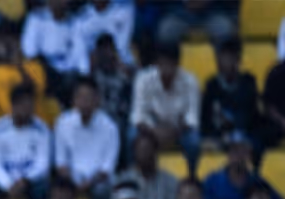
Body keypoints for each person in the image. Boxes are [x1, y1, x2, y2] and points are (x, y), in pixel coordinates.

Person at [55, 77, 120, 199]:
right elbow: (61, 164)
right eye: (80, 97)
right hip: (71, 180)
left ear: (97, 100)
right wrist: (73, 183)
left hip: (97, 182)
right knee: (57, 190)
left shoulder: (110, 127)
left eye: (89, 97)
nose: (84, 102)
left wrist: (87, 184)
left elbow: (106, 169)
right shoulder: (63, 123)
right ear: (74, 100)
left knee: (103, 192)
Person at [130, 43, 201, 176]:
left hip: (178, 130)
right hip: (150, 128)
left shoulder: (190, 81)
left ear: (177, 64)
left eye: (170, 63)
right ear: (156, 63)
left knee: (194, 142)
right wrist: (154, 131)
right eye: (163, 63)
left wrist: (174, 132)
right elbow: (138, 116)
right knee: (132, 136)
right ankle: (133, 177)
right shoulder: (143, 80)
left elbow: (192, 118)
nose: (166, 68)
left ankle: (192, 178)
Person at [0, 83, 52, 199]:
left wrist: (24, 182)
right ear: (13, 105)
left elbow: (42, 164)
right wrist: (8, 185)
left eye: (31, 104)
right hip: (5, 181)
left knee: (42, 189)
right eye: (23, 104)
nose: (28, 108)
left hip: (30, 182)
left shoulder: (42, 129)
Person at [204, 134, 279, 199]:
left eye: (243, 151)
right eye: (235, 151)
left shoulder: (256, 181)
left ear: (249, 154)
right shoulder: (213, 180)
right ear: (228, 154)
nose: (239, 156)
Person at [20, 0, 89, 103]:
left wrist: (82, 73)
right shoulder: (37, 18)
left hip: (66, 72)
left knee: (79, 81)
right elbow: (29, 49)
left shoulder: (75, 22)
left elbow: (80, 53)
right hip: (44, 67)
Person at [201, 39, 261, 152]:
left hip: (245, 136)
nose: (227, 62)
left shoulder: (248, 82)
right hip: (218, 138)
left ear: (238, 60)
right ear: (218, 60)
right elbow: (206, 120)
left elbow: (252, 117)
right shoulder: (212, 85)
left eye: (231, 57)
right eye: (224, 57)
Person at [116, 130, 179, 199]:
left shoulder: (170, 182)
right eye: (140, 150)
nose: (144, 154)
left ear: (156, 152)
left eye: (148, 149)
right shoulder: (123, 180)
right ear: (134, 153)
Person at [89, 34, 134, 158]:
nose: (107, 55)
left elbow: (127, 107)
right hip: (96, 120)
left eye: (110, 50)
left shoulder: (125, 78)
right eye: (103, 51)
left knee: (122, 130)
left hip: (118, 119)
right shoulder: (91, 78)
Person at [74, 0, 134, 67]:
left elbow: (126, 46)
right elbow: (81, 56)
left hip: (126, 66)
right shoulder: (80, 20)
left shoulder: (126, 10)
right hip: (95, 71)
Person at [154, 0, 238, 47]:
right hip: (180, 14)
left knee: (225, 29)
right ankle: (171, 70)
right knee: (166, 30)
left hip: (211, 13)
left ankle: (220, 73)